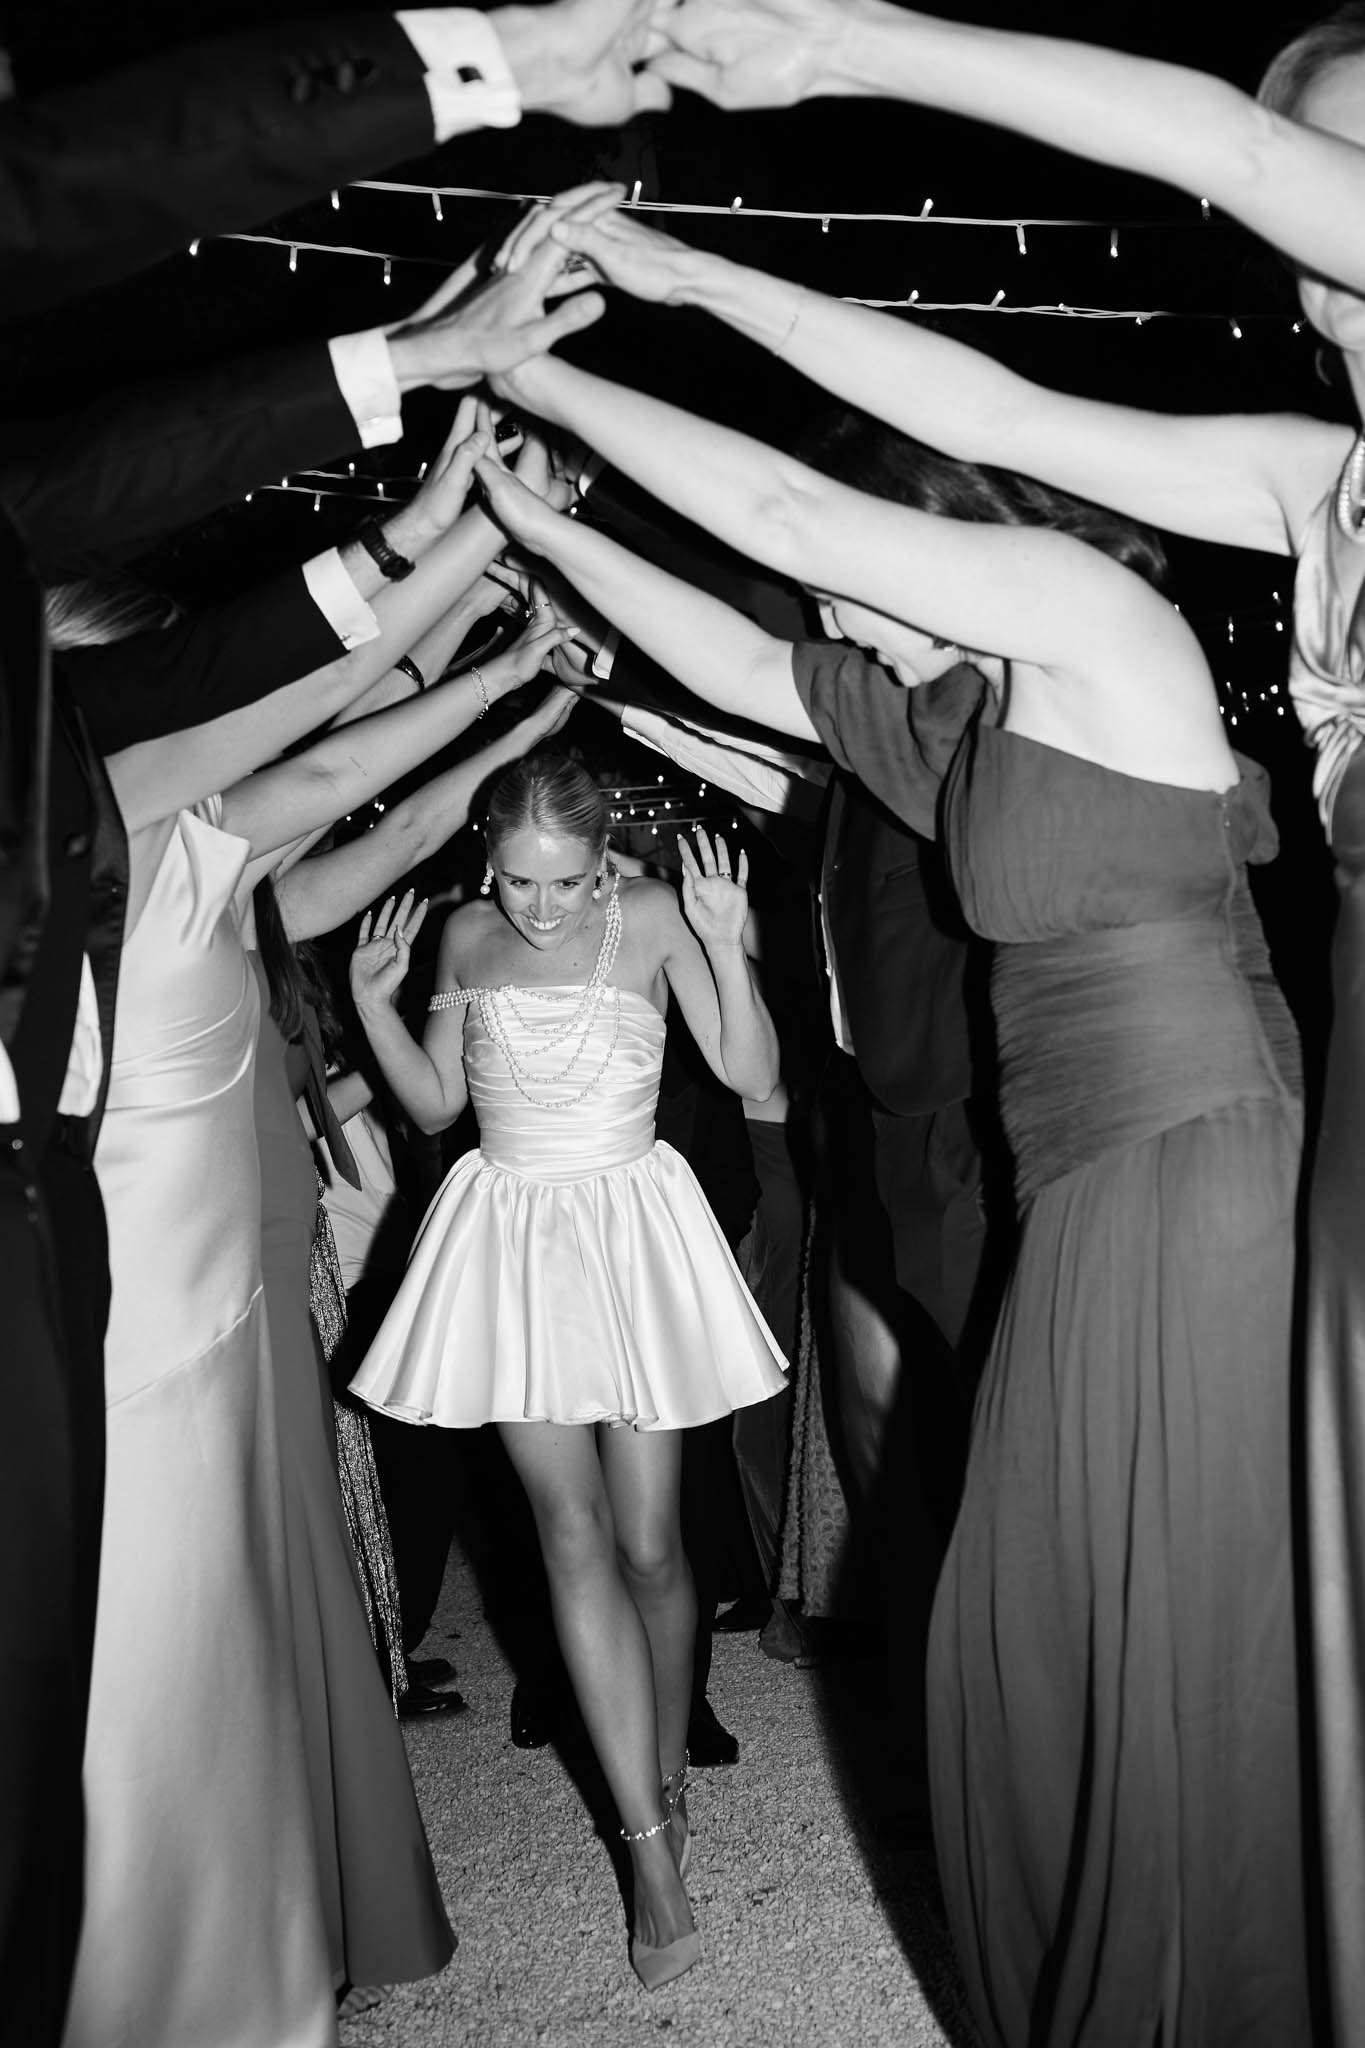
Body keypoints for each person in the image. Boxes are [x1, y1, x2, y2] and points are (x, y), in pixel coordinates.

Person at [463, 209, 1312, 2038]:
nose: (834, 612)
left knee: (1178, 1629)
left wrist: (536, 368)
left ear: (951, 534)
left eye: (871, 570)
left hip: (1200, 1165)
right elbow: (755, 658)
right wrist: (550, 533)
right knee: (1040, 1627)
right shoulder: (959, 719)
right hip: (1083, 1181)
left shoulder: (1107, 638)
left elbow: (792, 529)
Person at [347, 749, 786, 1989]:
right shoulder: (464, 937)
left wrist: (724, 939)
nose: (541, 908)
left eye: (568, 881)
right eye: (519, 880)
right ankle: (648, 1851)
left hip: (632, 1227)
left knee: (652, 1542)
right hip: (513, 1241)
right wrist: (378, 1004)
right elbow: (436, 1105)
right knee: (573, 1533)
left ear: (605, 861)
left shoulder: (650, 917)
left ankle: (657, 1769)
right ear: (488, 859)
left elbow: (752, 1075)